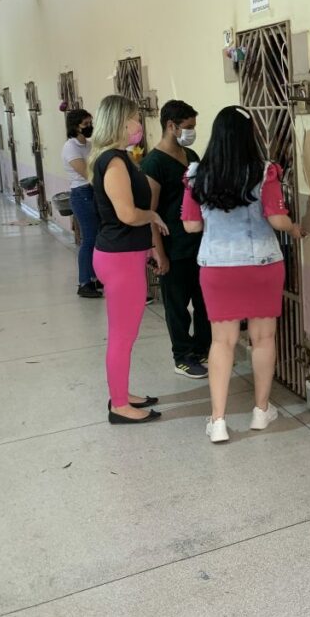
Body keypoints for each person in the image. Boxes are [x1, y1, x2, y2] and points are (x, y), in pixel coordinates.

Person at [181, 106, 304, 443]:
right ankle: (261, 411)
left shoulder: (196, 176)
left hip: (218, 268)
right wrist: (294, 228)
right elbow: (277, 219)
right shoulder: (264, 172)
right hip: (262, 265)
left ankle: (218, 421)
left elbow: (191, 226)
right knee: (263, 338)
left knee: (222, 342)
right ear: (250, 135)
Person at [87, 94, 170, 424]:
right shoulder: (114, 162)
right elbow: (126, 214)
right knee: (122, 336)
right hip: (119, 258)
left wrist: (148, 245)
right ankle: (120, 406)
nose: (139, 123)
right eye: (135, 117)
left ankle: (122, 393)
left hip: (125, 254)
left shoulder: (120, 158)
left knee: (126, 334)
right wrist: (153, 216)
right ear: (121, 122)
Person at [141, 100, 210, 379]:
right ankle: (182, 356)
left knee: (204, 302)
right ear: (171, 126)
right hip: (173, 246)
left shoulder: (190, 155)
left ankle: (202, 349)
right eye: (188, 126)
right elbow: (150, 213)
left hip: (200, 243)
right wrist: (159, 252)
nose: (192, 131)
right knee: (177, 306)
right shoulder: (153, 163)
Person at [61, 108, 102, 298]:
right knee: (90, 238)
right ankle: (84, 282)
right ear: (75, 126)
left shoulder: (89, 144)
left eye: (90, 123)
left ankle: (96, 276)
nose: (89, 127)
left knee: (98, 237)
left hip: (93, 192)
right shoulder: (70, 147)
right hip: (82, 193)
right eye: (85, 124)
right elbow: (87, 173)